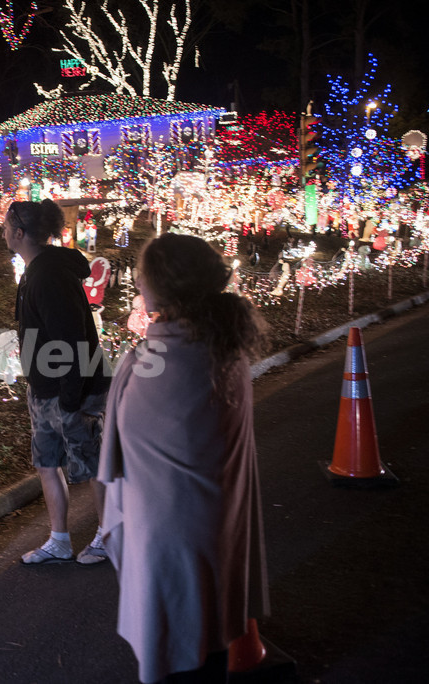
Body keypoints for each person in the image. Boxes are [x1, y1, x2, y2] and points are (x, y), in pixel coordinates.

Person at [98, 233, 269, 683]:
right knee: (209, 646)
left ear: (166, 286)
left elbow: (122, 450)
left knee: (175, 652)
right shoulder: (226, 348)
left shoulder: (156, 362)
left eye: (142, 277)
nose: (136, 283)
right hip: (217, 530)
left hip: (166, 539)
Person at [3, 198, 111, 565]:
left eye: (5, 226)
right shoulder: (36, 270)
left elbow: (72, 340)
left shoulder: (49, 275)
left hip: (71, 391)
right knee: (47, 463)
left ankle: (108, 535)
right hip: (45, 389)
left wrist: (70, 399)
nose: (2, 232)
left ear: (20, 233)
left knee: (93, 464)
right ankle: (59, 540)